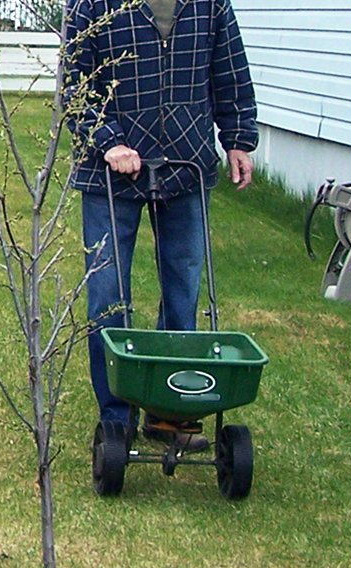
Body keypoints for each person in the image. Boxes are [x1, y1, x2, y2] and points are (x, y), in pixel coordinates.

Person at [65, 0, 258, 451]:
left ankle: (171, 411)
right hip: (109, 171)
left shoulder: (209, 5)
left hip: (186, 163)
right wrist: (107, 141)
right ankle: (116, 415)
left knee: (184, 291)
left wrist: (238, 140)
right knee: (109, 298)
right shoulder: (92, 4)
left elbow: (230, 73)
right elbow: (75, 86)